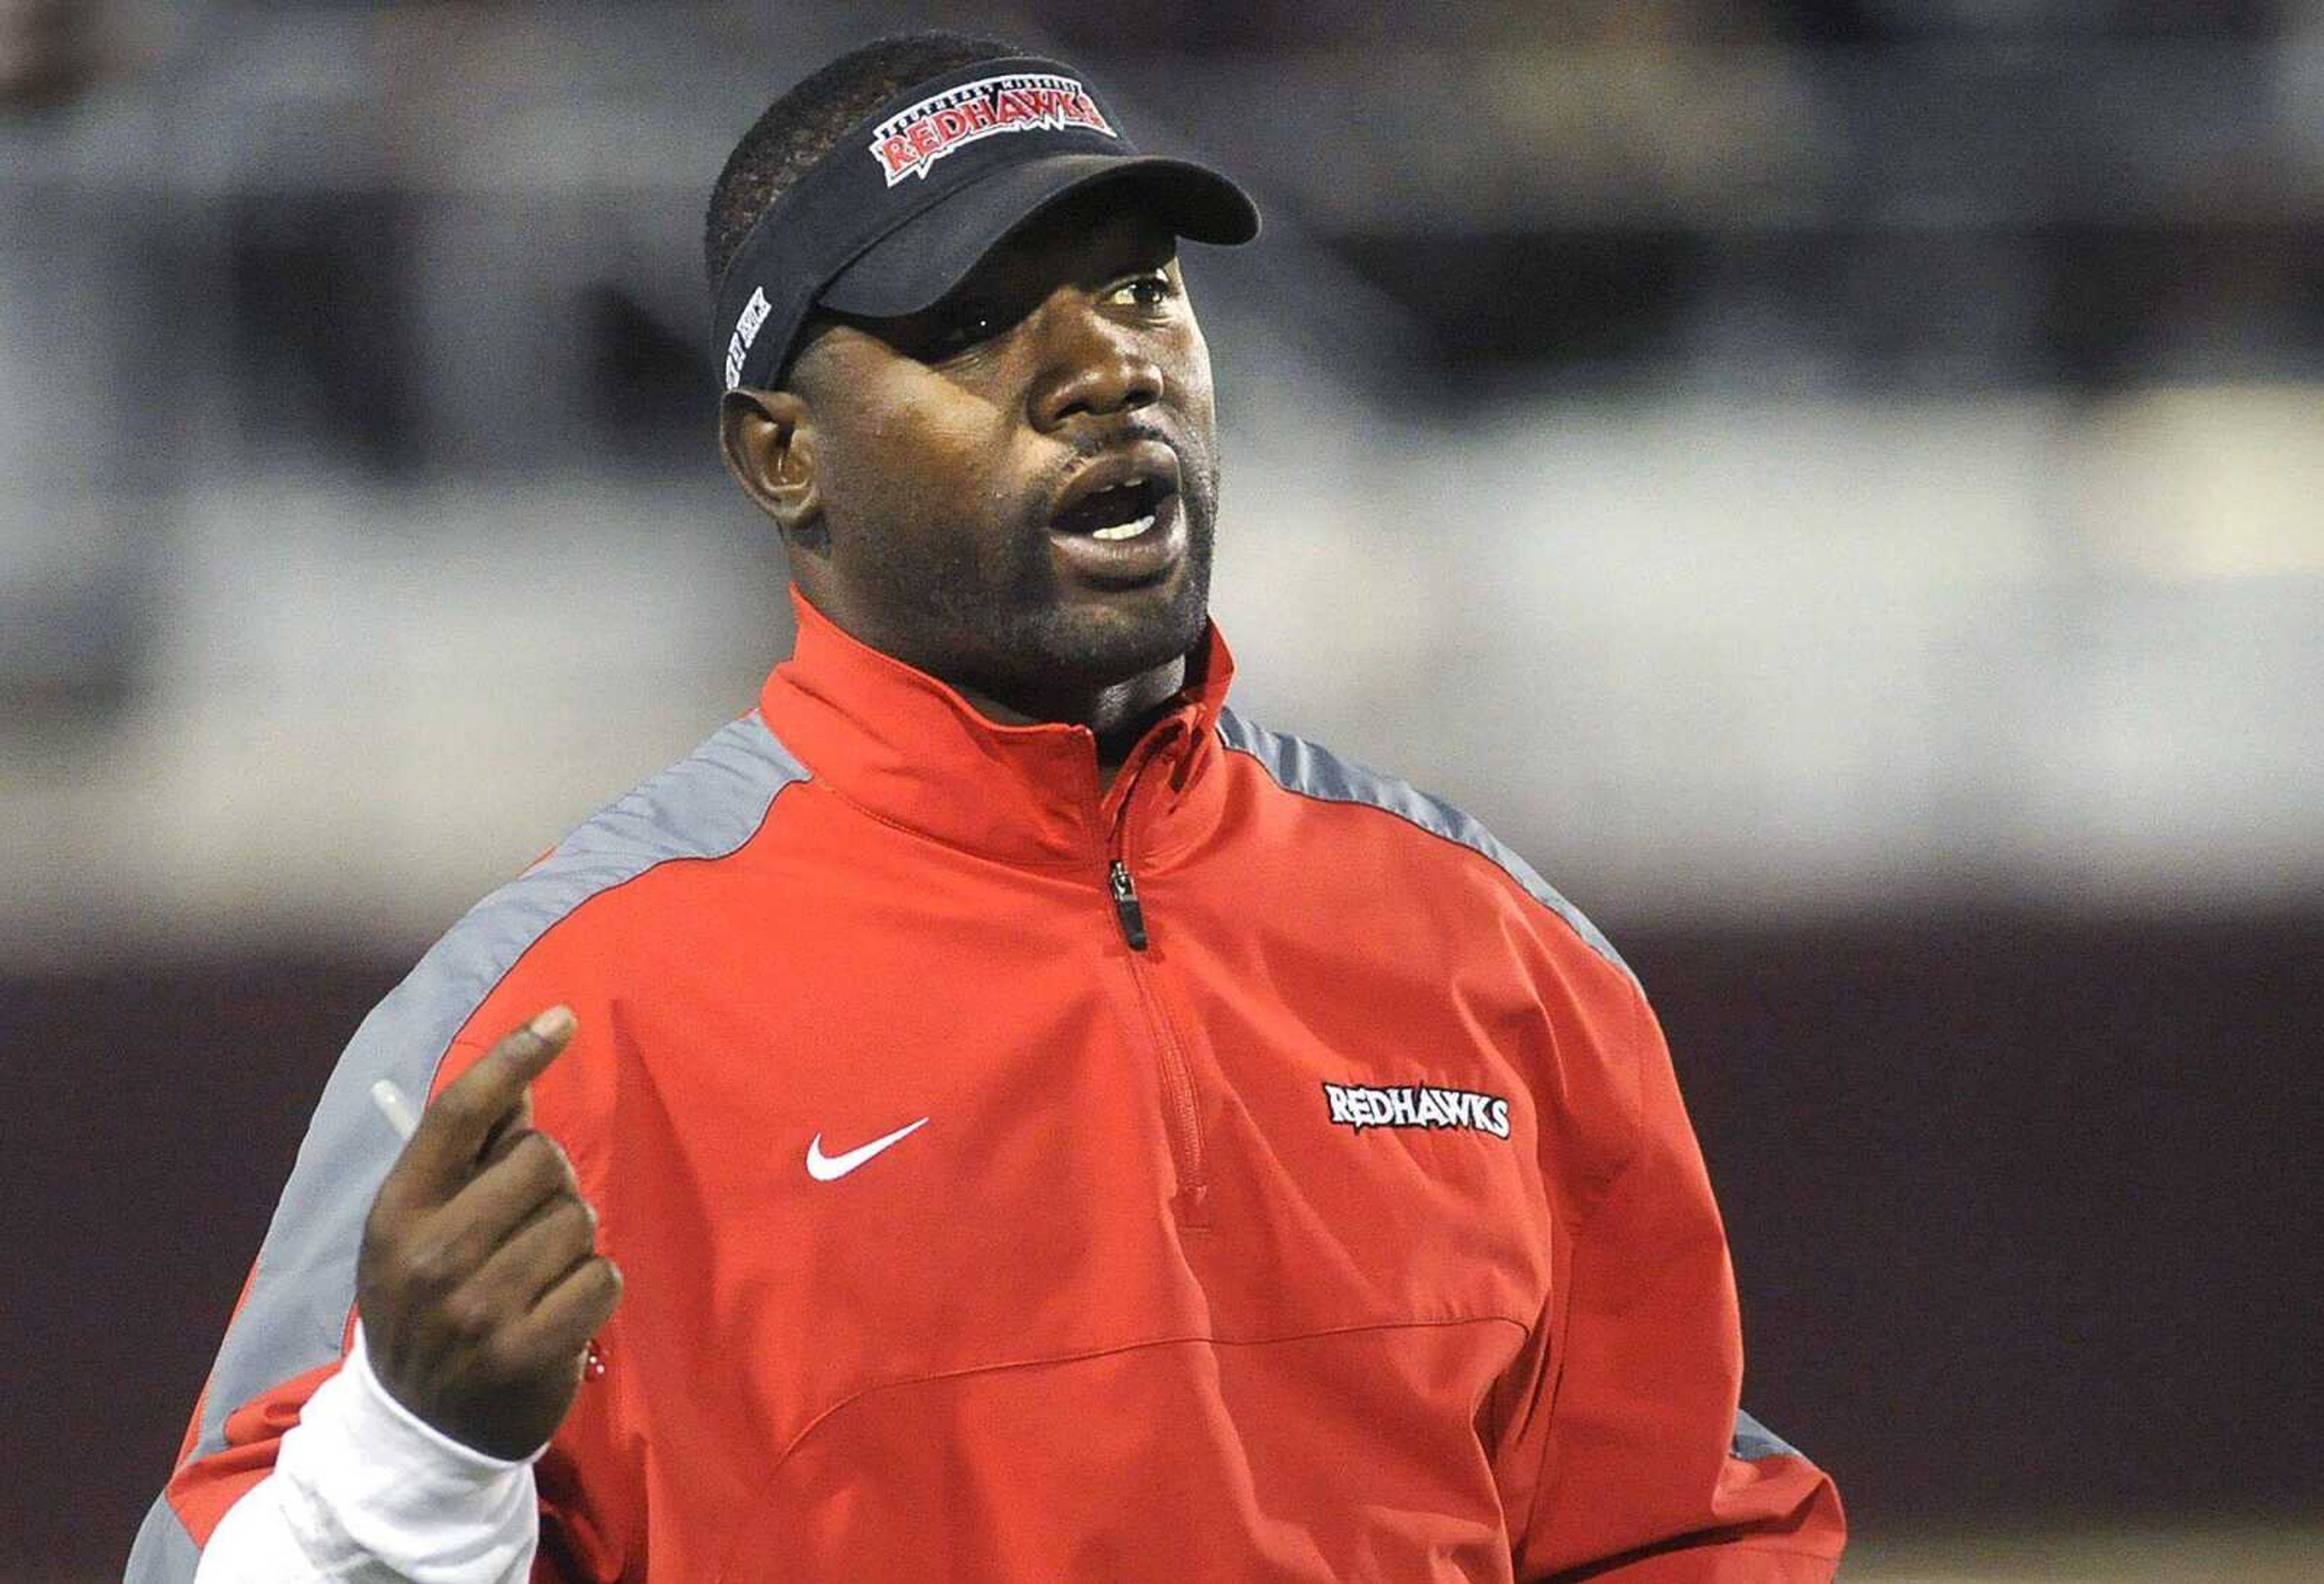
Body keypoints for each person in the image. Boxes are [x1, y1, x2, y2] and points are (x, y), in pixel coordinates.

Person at [128, 31, 1845, 1583]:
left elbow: (1678, 1529)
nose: (1110, 366)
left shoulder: (1494, 949)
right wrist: (412, 1456)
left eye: (1147, 290)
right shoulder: (562, 1017)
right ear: (782, 455)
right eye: (973, 324)